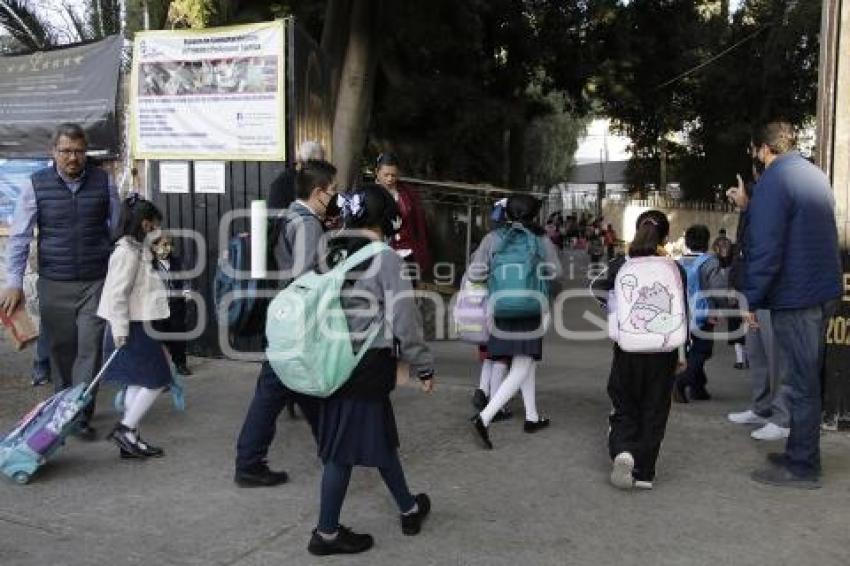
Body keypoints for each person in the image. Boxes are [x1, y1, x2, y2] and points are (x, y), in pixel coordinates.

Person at [307, 184, 435, 556]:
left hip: (330, 359)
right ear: (386, 218)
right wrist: (423, 365)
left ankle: (409, 506)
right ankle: (326, 534)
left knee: (377, 439)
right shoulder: (384, 257)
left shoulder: (330, 249)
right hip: (365, 363)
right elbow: (405, 319)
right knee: (341, 453)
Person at [0, 123, 120, 440]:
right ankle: (62, 406)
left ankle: (79, 415)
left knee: (90, 348)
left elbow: (117, 229)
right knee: (61, 350)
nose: (73, 157)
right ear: (53, 152)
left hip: (95, 280)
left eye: (79, 151)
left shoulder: (104, 183)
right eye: (66, 151)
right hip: (54, 282)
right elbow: (20, 237)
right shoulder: (35, 185)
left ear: (86, 152)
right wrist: (13, 282)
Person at [744, 121, 842, 489]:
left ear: (764, 149)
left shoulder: (773, 181)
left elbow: (766, 246)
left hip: (796, 295)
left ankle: (803, 465)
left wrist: (752, 298)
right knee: (805, 379)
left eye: (755, 151)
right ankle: (799, 451)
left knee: (801, 383)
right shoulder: (814, 174)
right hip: (820, 289)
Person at [234, 160, 339, 487]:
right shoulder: (306, 223)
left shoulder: (288, 214)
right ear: (319, 192)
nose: (336, 195)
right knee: (278, 390)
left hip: (282, 316)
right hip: (296, 320)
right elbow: (305, 278)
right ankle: (249, 463)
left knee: (307, 389)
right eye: (332, 190)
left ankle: (333, 450)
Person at [593, 210, 687, 490]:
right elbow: (683, 311)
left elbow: (596, 288)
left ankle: (623, 451)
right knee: (655, 408)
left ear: (637, 230)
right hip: (664, 349)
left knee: (624, 403)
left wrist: (615, 309)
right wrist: (682, 354)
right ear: (666, 236)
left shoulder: (620, 262)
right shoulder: (674, 267)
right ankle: (644, 472)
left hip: (627, 348)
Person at [468, 194, 562, 449]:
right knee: (523, 364)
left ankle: (532, 417)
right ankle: (485, 417)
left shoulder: (493, 239)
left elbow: (474, 272)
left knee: (525, 362)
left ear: (507, 213)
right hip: (532, 308)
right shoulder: (542, 240)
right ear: (534, 215)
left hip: (500, 308)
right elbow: (556, 274)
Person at [98, 196, 172, 459]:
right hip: (131, 326)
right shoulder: (126, 253)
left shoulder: (138, 249)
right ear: (144, 223)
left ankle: (131, 440)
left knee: (137, 382)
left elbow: (158, 275)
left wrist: (159, 251)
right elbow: (116, 294)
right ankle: (125, 430)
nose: (159, 229)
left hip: (137, 323)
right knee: (157, 380)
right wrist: (120, 331)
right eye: (155, 225)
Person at [725, 175, 790, 442]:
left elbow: (765, 257)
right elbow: (743, 254)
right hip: (752, 294)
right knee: (758, 354)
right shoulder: (749, 218)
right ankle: (761, 408)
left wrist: (747, 206)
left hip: (771, 296)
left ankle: (783, 418)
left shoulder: (771, 218)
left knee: (777, 360)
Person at [673, 224, 727, 403]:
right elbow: (718, 288)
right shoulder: (710, 262)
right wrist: (723, 307)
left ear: (687, 241)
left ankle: (698, 387)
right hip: (704, 314)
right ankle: (680, 382)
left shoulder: (678, 262)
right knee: (701, 351)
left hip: (681, 314)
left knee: (690, 351)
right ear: (707, 242)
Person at [375, 152, 433, 279]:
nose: (390, 179)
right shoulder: (370, 196)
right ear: (377, 172)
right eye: (386, 175)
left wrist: (421, 252)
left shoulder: (407, 194)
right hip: (382, 254)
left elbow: (419, 225)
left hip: (408, 252)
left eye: (393, 175)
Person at [151, 235, 193, 376]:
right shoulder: (151, 264)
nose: (167, 248)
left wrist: (187, 292)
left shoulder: (177, 262)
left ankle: (180, 363)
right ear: (155, 247)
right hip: (158, 306)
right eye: (163, 245)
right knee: (159, 336)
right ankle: (161, 368)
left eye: (169, 245)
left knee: (178, 334)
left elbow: (186, 278)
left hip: (176, 304)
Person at [267, 141, 325, 211]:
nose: (321, 169)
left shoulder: (312, 178)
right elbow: (275, 214)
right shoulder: (283, 182)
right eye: (319, 165)